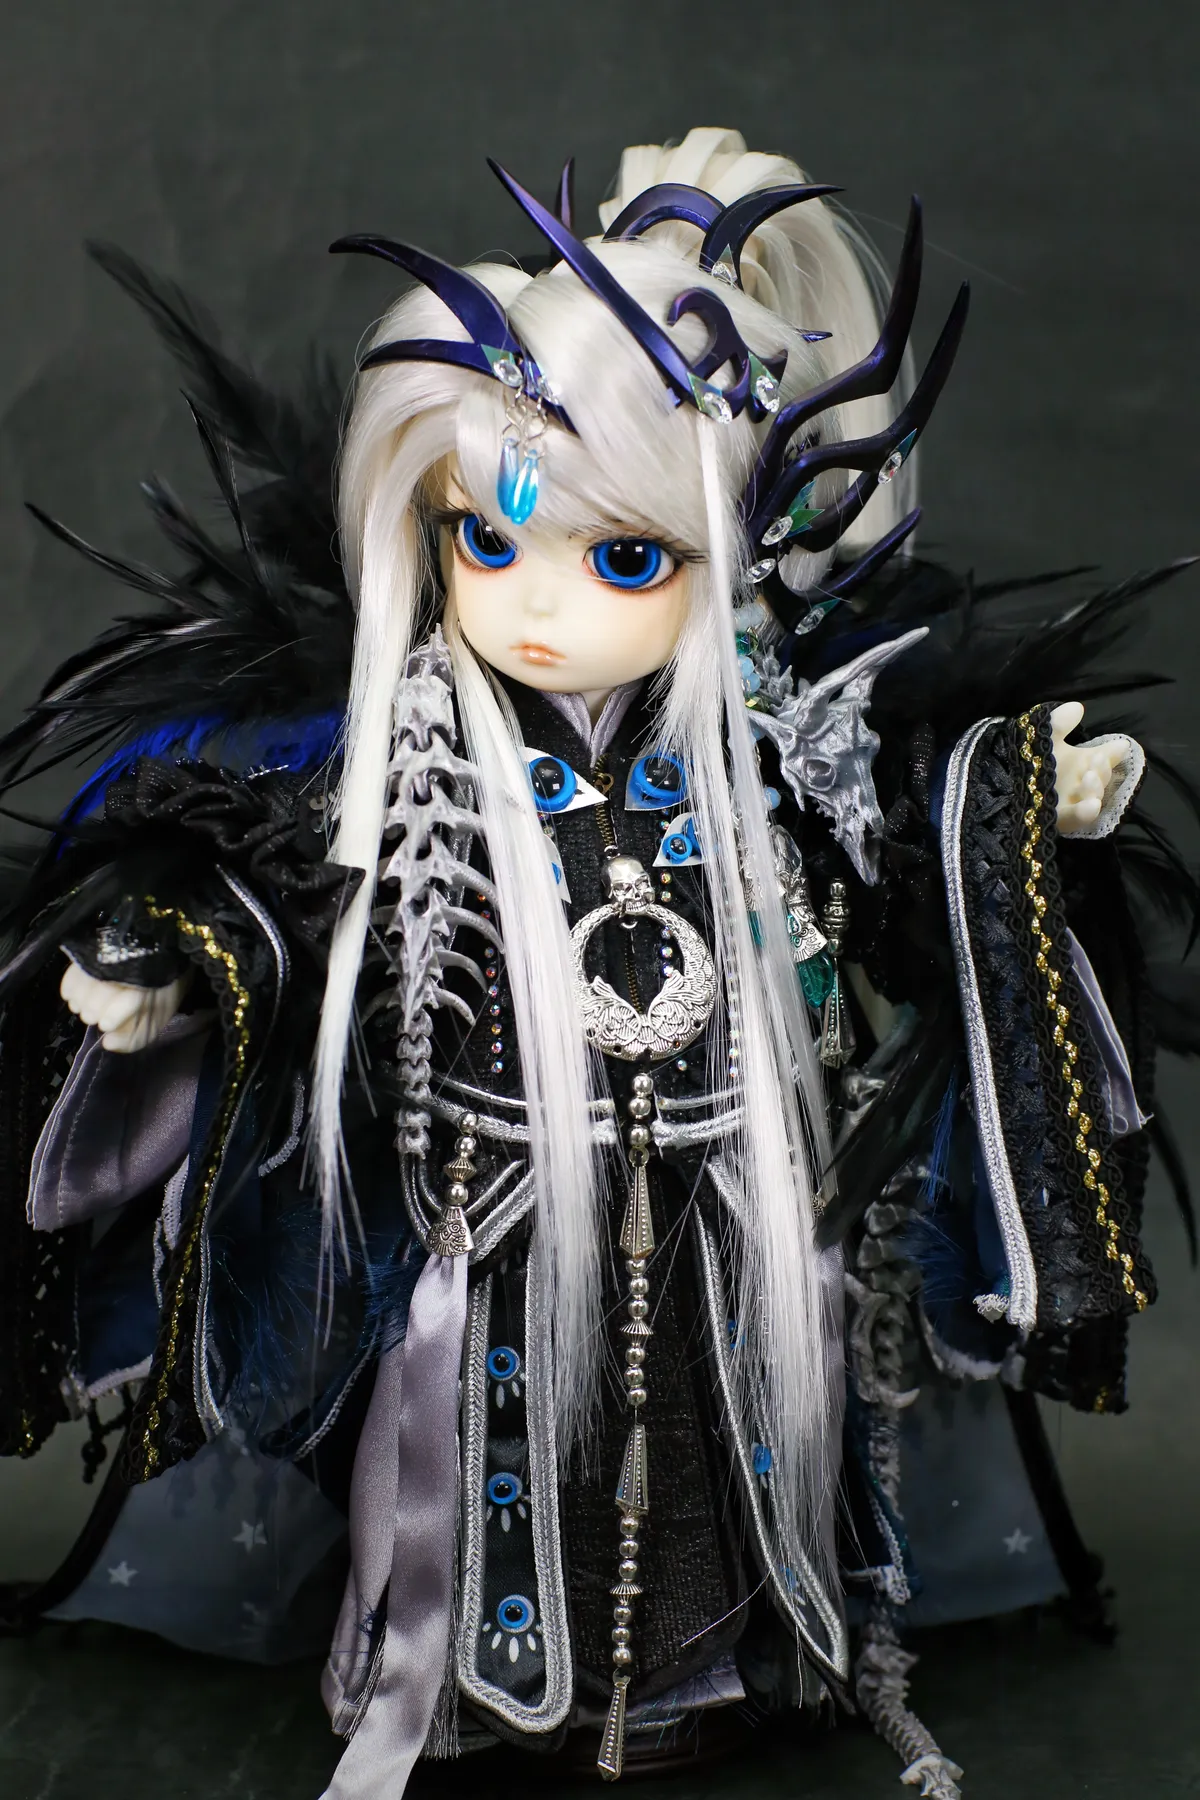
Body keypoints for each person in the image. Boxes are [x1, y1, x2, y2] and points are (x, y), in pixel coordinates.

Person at [0, 128, 1191, 1800]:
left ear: (724, 556)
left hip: (725, 1212)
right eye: (488, 546)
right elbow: (284, 888)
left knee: (721, 1449)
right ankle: (467, 1686)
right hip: (493, 1221)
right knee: (497, 1455)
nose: (540, 608)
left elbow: (894, 840)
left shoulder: (758, 749)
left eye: (623, 556)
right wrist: (179, 965)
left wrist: (1012, 801)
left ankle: (726, 1671)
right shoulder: (415, 756)